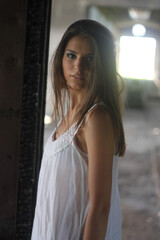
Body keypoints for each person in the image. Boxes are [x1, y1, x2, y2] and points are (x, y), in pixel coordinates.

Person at [31, 19, 126, 240]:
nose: (78, 67)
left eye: (90, 59)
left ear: (103, 64)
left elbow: (101, 207)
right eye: (71, 55)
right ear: (61, 58)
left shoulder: (96, 118)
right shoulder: (69, 116)